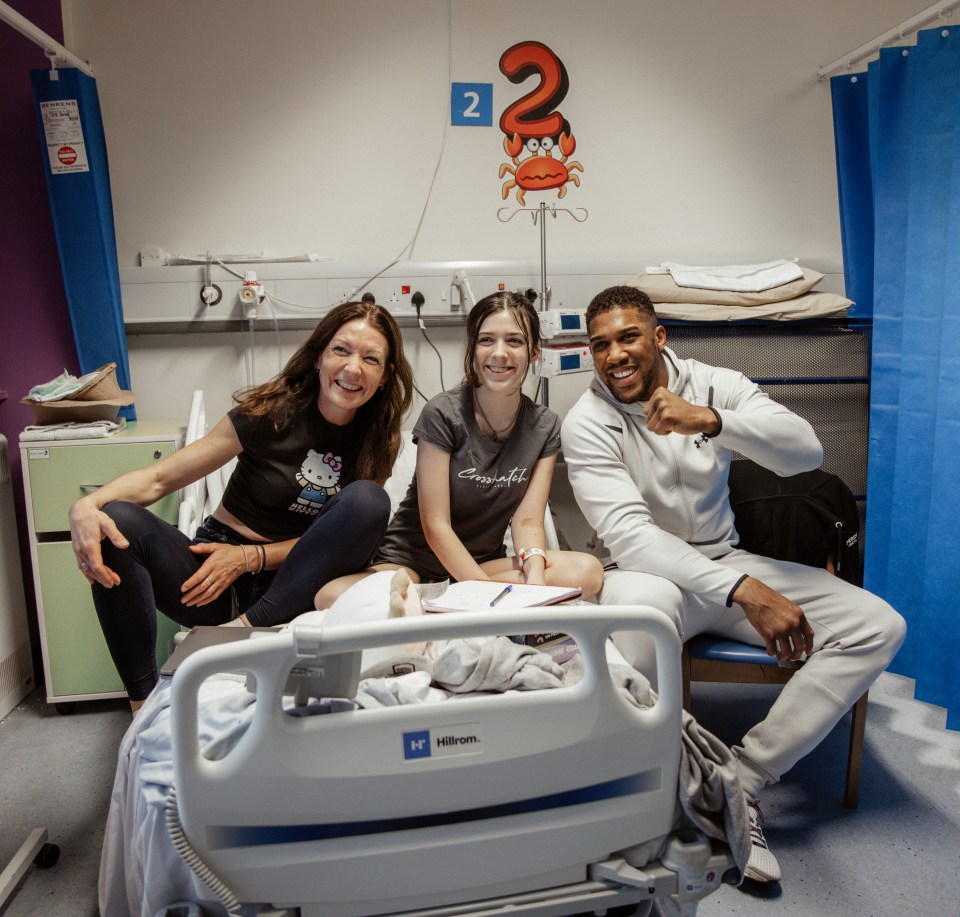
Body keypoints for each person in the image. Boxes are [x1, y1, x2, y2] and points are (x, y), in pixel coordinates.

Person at [561, 285, 906, 884]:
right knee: (645, 623)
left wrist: (714, 421)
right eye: (600, 345)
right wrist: (744, 589)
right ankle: (653, 803)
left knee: (877, 627)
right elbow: (634, 538)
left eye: (628, 337)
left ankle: (738, 786)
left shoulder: (716, 384)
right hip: (646, 576)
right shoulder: (587, 421)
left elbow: (806, 454)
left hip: (724, 558)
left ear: (659, 337)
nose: (614, 355)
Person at [69, 301, 413, 710]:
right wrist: (87, 506)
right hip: (212, 577)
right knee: (116, 522)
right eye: (341, 350)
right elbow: (160, 478)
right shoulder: (268, 414)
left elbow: (343, 536)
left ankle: (243, 631)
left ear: (385, 374)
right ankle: (143, 704)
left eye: (370, 358)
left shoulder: (379, 438)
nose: (353, 368)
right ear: (319, 356)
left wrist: (251, 557)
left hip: (297, 584)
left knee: (369, 501)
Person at [316, 291, 603, 607]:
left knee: (587, 571)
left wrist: (535, 579)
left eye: (514, 341)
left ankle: (439, 606)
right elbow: (435, 526)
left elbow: (528, 522)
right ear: (473, 349)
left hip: (482, 566)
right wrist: (483, 595)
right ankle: (452, 602)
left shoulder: (545, 426)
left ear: (534, 352)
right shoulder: (444, 414)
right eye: (486, 340)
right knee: (329, 598)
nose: (499, 353)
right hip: (411, 566)